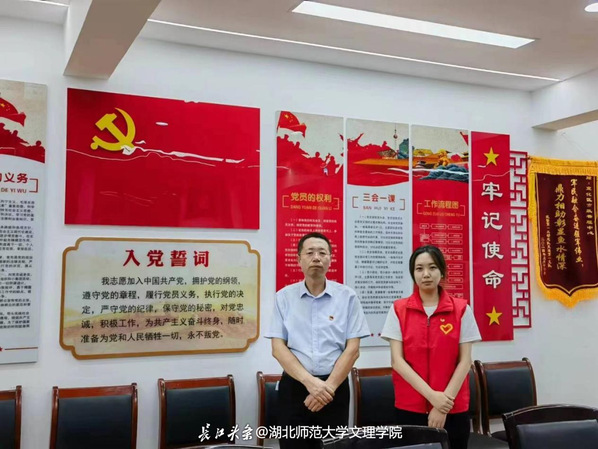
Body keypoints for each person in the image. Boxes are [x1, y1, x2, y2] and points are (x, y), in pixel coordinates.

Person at [265, 232, 370, 449]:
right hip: (295, 388)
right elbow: (278, 348)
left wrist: (326, 388)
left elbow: (353, 349)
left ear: (330, 259)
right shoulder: (284, 297)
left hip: (334, 389)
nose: (316, 258)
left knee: (333, 446)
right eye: (310, 252)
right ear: (298, 259)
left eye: (322, 253)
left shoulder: (347, 297)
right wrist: (310, 383)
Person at [381, 245, 481, 449]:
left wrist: (443, 404)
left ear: (442, 271)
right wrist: (432, 397)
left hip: (452, 406)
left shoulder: (461, 309)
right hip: (410, 406)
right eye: (419, 269)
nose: (426, 274)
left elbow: (465, 361)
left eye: (432, 267)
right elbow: (397, 362)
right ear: (413, 274)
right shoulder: (398, 309)